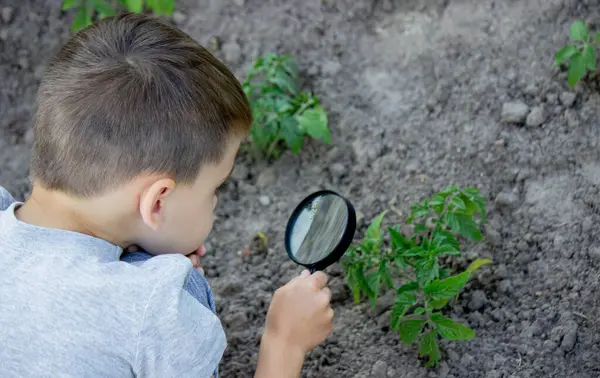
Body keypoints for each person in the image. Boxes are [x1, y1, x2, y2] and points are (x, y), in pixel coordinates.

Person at [0, 13, 333, 378]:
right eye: (215, 188)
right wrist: (284, 343)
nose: (216, 201)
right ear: (157, 203)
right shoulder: (152, 310)